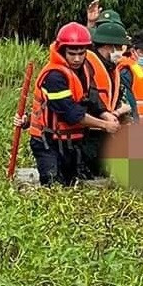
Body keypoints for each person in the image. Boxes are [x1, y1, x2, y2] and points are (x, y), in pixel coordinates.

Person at [24, 22, 120, 186]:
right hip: (48, 141)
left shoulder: (84, 70)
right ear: (62, 51)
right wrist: (104, 125)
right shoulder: (54, 76)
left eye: (81, 53)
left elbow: (89, 99)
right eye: (72, 53)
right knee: (53, 185)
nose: (77, 58)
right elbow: (70, 113)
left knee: (71, 185)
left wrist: (106, 114)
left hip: (71, 141)